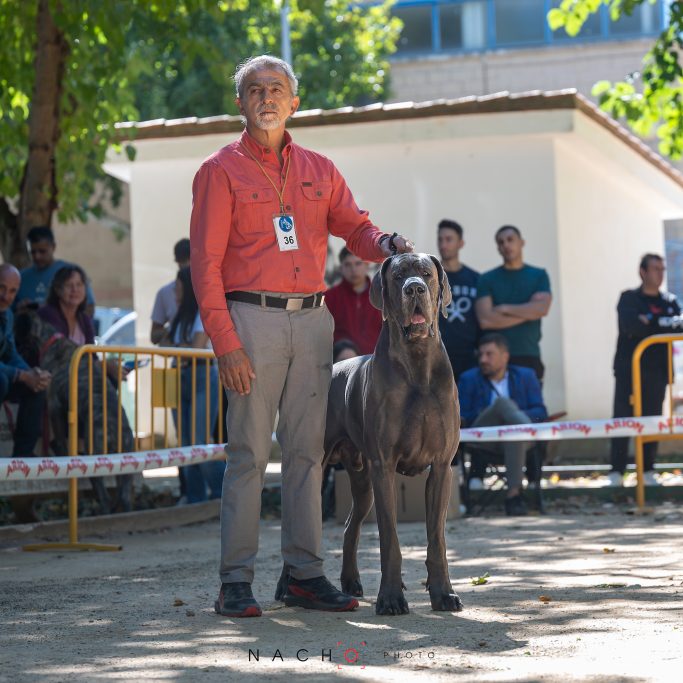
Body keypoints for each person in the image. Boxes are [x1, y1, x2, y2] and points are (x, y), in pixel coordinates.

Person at [190, 54, 413, 618]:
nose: (267, 97)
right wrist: (226, 343)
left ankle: (303, 575)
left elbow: (355, 227)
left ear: (295, 102)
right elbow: (205, 266)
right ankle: (235, 581)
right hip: (250, 321)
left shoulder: (320, 167)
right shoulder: (220, 171)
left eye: (277, 89)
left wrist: (384, 243)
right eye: (255, 89)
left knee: (307, 454)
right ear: (239, 103)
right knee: (246, 455)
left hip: (314, 321)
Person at [608, 254, 682, 487]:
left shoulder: (669, 301)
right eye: (655, 269)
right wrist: (661, 323)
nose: (660, 274)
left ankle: (648, 470)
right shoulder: (629, 298)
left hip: (657, 372)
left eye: (663, 269)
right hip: (628, 371)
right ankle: (617, 472)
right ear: (642, 272)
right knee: (622, 420)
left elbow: (679, 324)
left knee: (651, 420)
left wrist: (650, 320)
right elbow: (631, 326)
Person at [458, 333, 547, 516]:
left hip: (516, 440)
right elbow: (462, 416)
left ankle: (513, 496)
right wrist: (497, 412)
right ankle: (521, 428)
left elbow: (540, 411)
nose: (483, 359)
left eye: (489, 354)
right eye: (481, 355)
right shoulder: (469, 379)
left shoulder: (526, 376)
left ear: (504, 356)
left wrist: (512, 417)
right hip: (482, 438)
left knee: (512, 432)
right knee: (502, 404)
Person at [169, 266, 225, 503]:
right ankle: (195, 498)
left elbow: (196, 347)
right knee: (185, 444)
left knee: (198, 442)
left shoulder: (204, 312)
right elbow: (166, 341)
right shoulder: (180, 316)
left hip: (202, 375)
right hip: (179, 377)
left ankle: (224, 493)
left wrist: (178, 348)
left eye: (178, 287)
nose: (174, 292)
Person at [475, 226, 552, 382]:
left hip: (529, 354)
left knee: (530, 406)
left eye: (510, 240)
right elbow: (486, 320)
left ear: (522, 242)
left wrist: (504, 308)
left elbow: (542, 309)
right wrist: (530, 311)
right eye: (501, 242)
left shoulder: (539, 275)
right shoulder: (487, 279)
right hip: (494, 359)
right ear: (498, 248)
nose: (506, 245)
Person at [0, 264, 51, 456]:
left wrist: (33, 374)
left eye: (13, 291)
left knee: (37, 386)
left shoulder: (7, 315)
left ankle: (22, 456)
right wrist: (22, 375)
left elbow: (10, 354)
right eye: (1, 288)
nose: (6, 296)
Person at [15, 226, 96, 316]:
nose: (37, 256)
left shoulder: (72, 273)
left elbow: (89, 309)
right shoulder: (20, 277)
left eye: (42, 251)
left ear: (53, 247)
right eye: (33, 252)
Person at [437, 219, 480, 381]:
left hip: (469, 358)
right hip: (437, 357)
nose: (443, 244)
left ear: (460, 243)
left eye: (449, 239)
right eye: (440, 239)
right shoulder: (429, 278)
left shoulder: (475, 279)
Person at [325, 247, 381, 355]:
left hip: (375, 361)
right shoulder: (329, 298)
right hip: (341, 362)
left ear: (367, 265)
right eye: (348, 265)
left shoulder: (381, 297)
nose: (353, 270)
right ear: (341, 268)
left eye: (358, 264)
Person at [150, 238, 191, 345]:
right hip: (179, 358)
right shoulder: (165, 293)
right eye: (182, 261)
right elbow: (154, 336)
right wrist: (173, 329)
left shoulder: (207, 291)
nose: (177, 298)